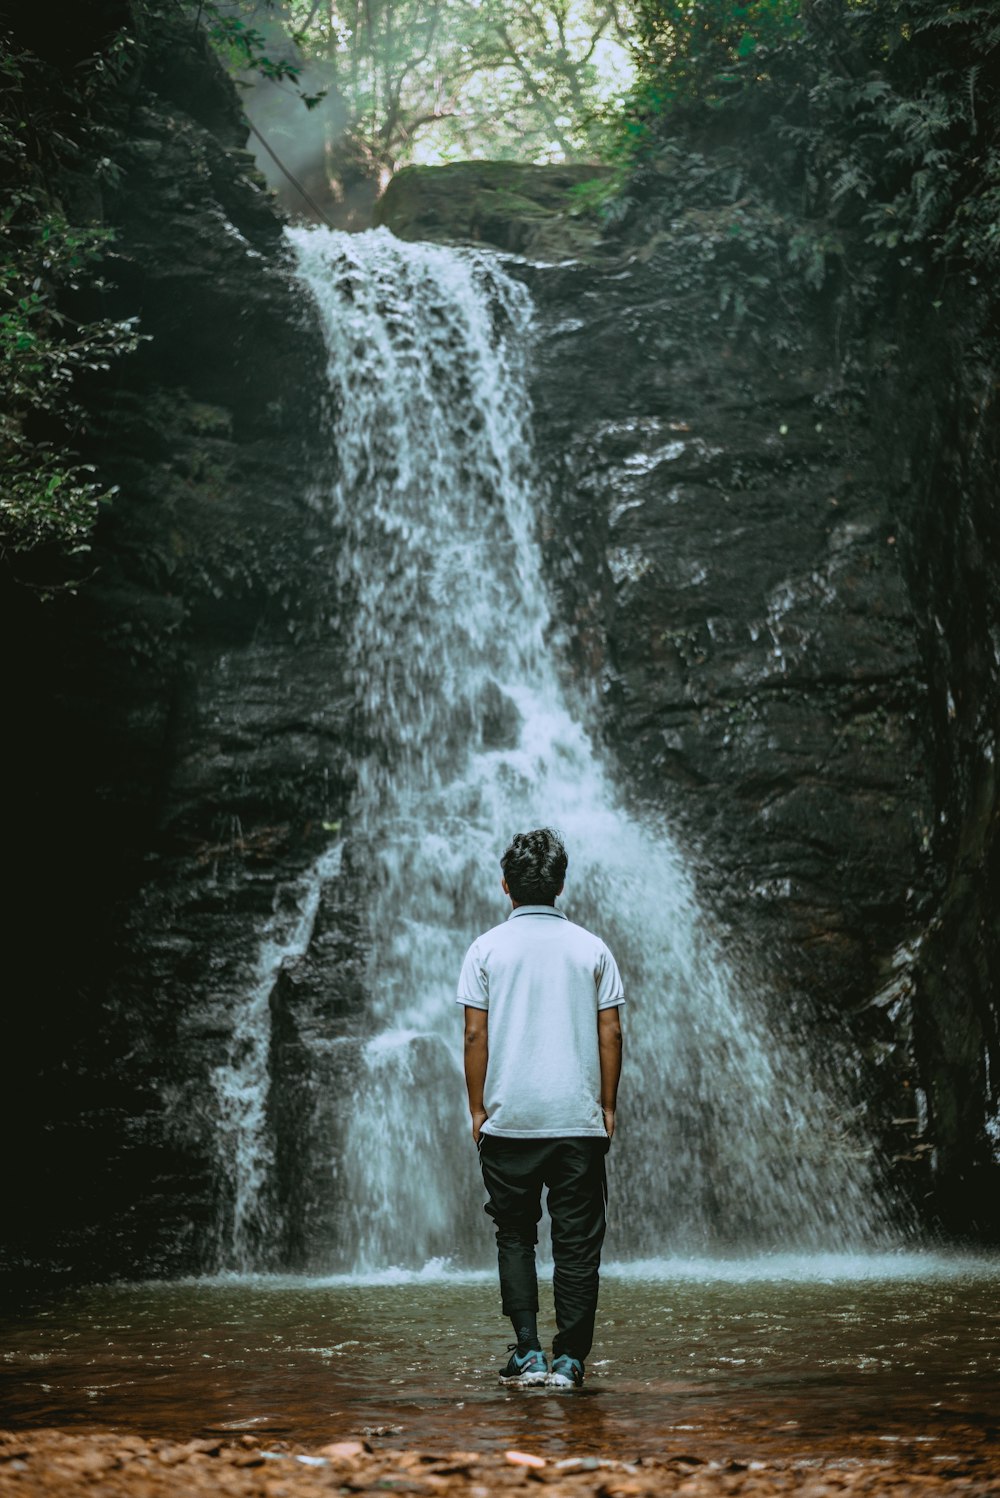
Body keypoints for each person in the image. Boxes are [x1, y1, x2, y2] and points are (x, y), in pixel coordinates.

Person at [457, 827, 624, 1389]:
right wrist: (607, 1106)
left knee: (515, 1235)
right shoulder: (591, 947)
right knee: (576, 1243)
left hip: (510, 1121)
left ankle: (527, 1351)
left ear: (506, 886)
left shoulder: (485, 949)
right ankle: (571, 1359)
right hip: (577, 1122)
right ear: (560, 884)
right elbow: (611, 1033)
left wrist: (478, 1109)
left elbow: (474, 1036)